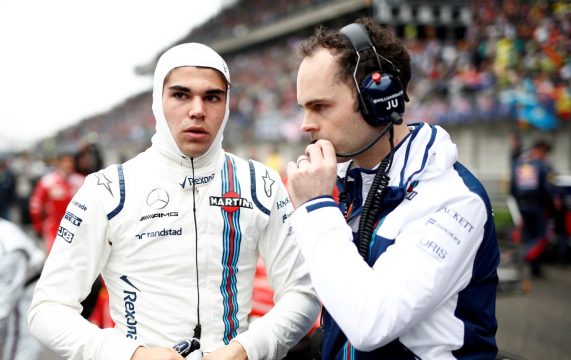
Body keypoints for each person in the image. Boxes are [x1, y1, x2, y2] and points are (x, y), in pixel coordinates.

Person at [28, 42, 319, 360]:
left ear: (227, 104)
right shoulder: (107, 190)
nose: (197, 110)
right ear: (157, 101)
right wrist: (131, 354)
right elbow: (47, 308)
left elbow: (302, 294)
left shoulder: (261, 183)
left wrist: (246, 349)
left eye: (212, 97)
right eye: (181, 95)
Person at [286, 18, 500, 359]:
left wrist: (315, 208)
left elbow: (371, 323)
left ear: (380, 98)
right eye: (303, 108)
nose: (305, 124)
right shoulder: (346, 181)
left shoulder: (453, 198)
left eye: (320, 106)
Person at [0, 218, 45, 360]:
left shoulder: (7, 246)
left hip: (28, 290)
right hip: (12, 287)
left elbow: (4, 303)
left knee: (20, 349)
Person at [510, 139, 555, 277]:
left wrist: (518, 204)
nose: (545, 156)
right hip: (538, 206)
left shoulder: (519, 164)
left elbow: (513, 187)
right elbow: (547, 188)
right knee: (540, 236)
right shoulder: (542, 166)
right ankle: (530, 260)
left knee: (528, 235)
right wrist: (551, 205)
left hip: (523, 205)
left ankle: (528, 262)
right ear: (540, 150)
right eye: (545, 153)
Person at [29, 149, 85, 254]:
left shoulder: (81, 181)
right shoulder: (47, 182)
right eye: (65, 161)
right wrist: (38, 225)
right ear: (58, 163)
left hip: (78, 229)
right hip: (53, 228)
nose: (68, 164)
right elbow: (35, 205)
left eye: (71, 161)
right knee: (54, 260)